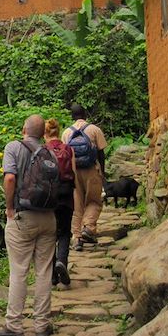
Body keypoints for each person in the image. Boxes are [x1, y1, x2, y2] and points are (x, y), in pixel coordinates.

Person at [0, 114, 56, 336]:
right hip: (48, 218)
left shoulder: (13, 147)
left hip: (22, 217)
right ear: (43, 133)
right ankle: (42, 325)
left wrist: (9, 208)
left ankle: (14, 326)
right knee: (44, 271)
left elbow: (10, 179)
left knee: (19, 271)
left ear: (24, 129)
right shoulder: (50, 152)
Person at [62, 104, 107, 251]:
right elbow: (101, 153)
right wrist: (103, 172)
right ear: (85, 115)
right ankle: (88, 227)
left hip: (74, 173)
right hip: (91, 170)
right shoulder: (94, 129)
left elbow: (65, 156)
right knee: (94, 200)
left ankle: (77, 238)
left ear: (72, 116)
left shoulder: (66, 133)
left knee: (77, 205)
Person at [44, 118, 76, 286]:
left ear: (45, 133)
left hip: (48, 196)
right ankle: (61, 261)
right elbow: (74, 172)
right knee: (64, 232)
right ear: (59, 131)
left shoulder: (42, 150)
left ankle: (52, 276)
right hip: (65, 194)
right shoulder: (68, 149)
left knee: (49, 234)